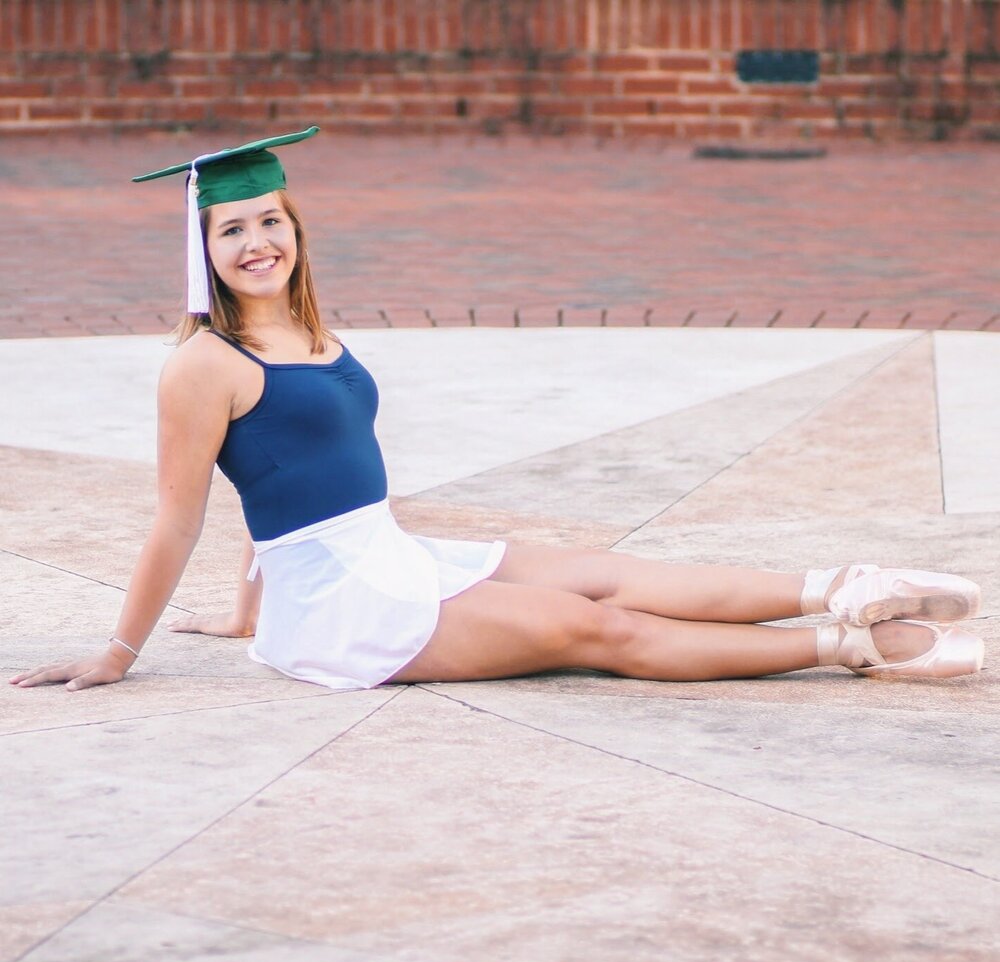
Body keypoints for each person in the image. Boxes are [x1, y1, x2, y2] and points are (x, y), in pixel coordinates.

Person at [10, 127, 985, 694]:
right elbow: (182, 510)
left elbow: (282, 470)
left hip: (385, 551)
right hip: (345, 606)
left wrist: (240, 611)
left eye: (271, 220)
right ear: (204, 248)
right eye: (233, 228)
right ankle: (852, 645)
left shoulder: (306, 330)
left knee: (613, 573)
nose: (258, 241)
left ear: (293, 228)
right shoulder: (200, 365)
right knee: (587, 626)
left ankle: (839, 584)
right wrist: (118, 651)